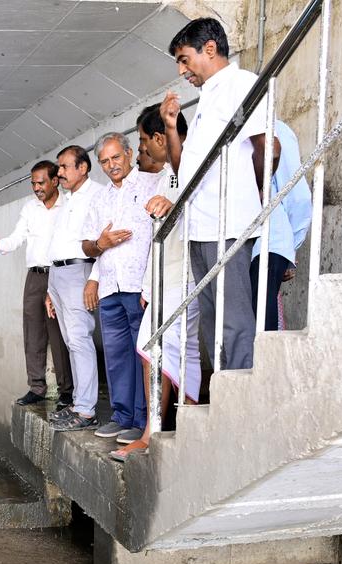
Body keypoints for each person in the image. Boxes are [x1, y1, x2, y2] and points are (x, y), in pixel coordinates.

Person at [159, 17, 279, 372]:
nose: (182, 70)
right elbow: (187, 172)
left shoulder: (240, 84)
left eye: (184, 59)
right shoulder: (207, 99)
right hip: (201, 227)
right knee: (211, 325)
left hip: (227, 224)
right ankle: (226, 395)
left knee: (234, 322)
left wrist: (253, 195)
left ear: (209, 48)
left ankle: (242, 400)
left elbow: (267, 148)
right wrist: (170, 126)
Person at [113, 104, 202, 460]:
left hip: (185, 275)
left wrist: (171, 202)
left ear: (159, 138)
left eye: (143, 140)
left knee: (161, 347)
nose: (142, 148)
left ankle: (156, 432)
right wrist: (149, 288)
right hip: (167, 277)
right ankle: (172, 428)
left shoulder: (182, 167)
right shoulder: (169, 172)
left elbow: (185, 193)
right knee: (172, 349)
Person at [0, 160, 75, 409]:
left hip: (60, 274)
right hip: (35, 277)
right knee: (33, 334)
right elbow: (17, 237)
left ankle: (67, 391)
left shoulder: (69, 205)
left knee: (59, 334)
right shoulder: (30, 208)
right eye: (33, 183)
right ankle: (36, 387)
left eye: (41, 182)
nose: (36, 187)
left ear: (54, 181)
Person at [77, 132, 159, 445]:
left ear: (128, 154)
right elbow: (87, 245)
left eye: (116, 157)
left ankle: (142, 421)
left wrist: (149, 287)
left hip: (139, 286)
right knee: (117, 355)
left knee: (143, 354)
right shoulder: (100, 199)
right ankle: (122, 416)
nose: (112, 165)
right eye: (105, 161)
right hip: (111, 287)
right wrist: (101, 243)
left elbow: (159, 239)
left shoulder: (152, 184)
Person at [47, 146, 102, 432]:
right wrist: (49, 288)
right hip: (58, 273)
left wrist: (93, 277)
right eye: (59, 167)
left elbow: (101, 244)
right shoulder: (69, 199)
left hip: (78, 270)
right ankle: (80, 402)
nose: (60, 172)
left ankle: (86, 410)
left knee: (80, 338)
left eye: (65, 167)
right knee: (71, 341)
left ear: (83, 168)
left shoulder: (97, 195)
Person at [251, 120, 312, 331]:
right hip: (242, 245)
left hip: (268, 243)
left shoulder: (277, 129)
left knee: (262, 329)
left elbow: (297, 194)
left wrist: (291, 247)